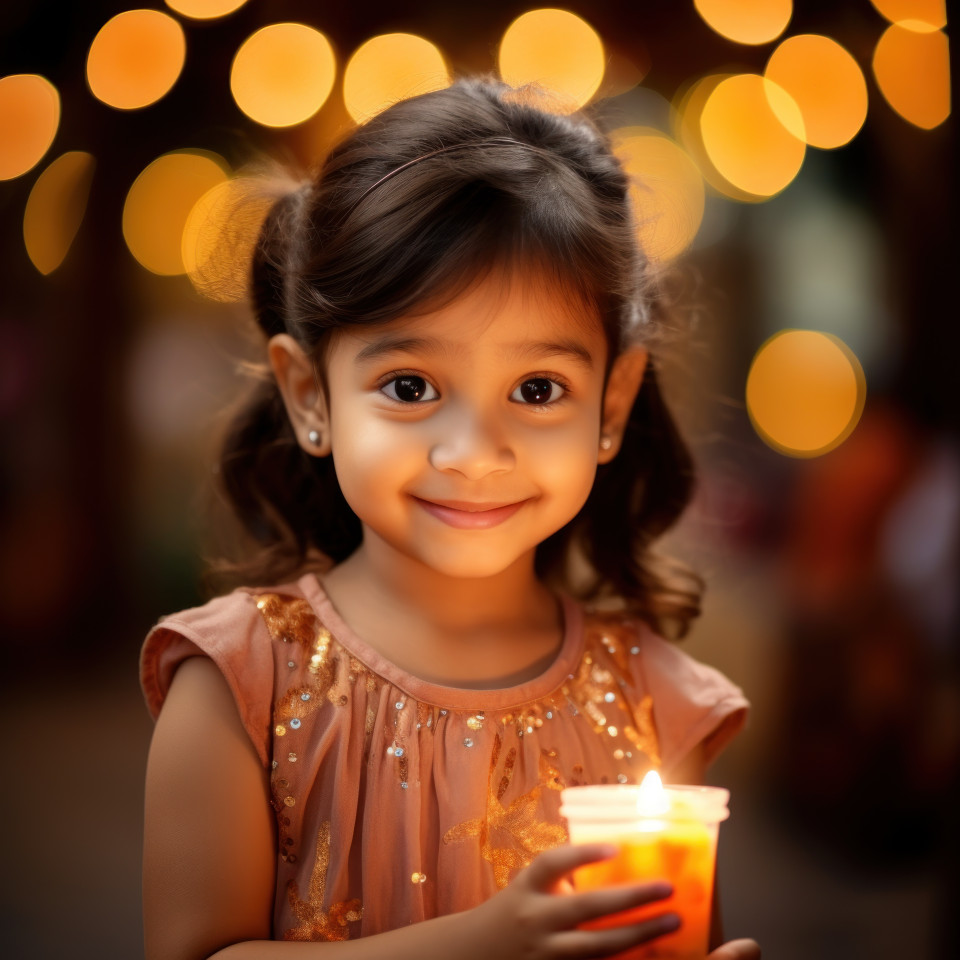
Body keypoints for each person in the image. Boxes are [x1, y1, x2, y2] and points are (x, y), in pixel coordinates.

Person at [141, 77, 759, 960]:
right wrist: (485, 944)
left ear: (612, 405)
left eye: (538, 390)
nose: (473, 451)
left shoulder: (653, 706)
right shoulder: (239, 690)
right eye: (409, 387)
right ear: (309, 394)